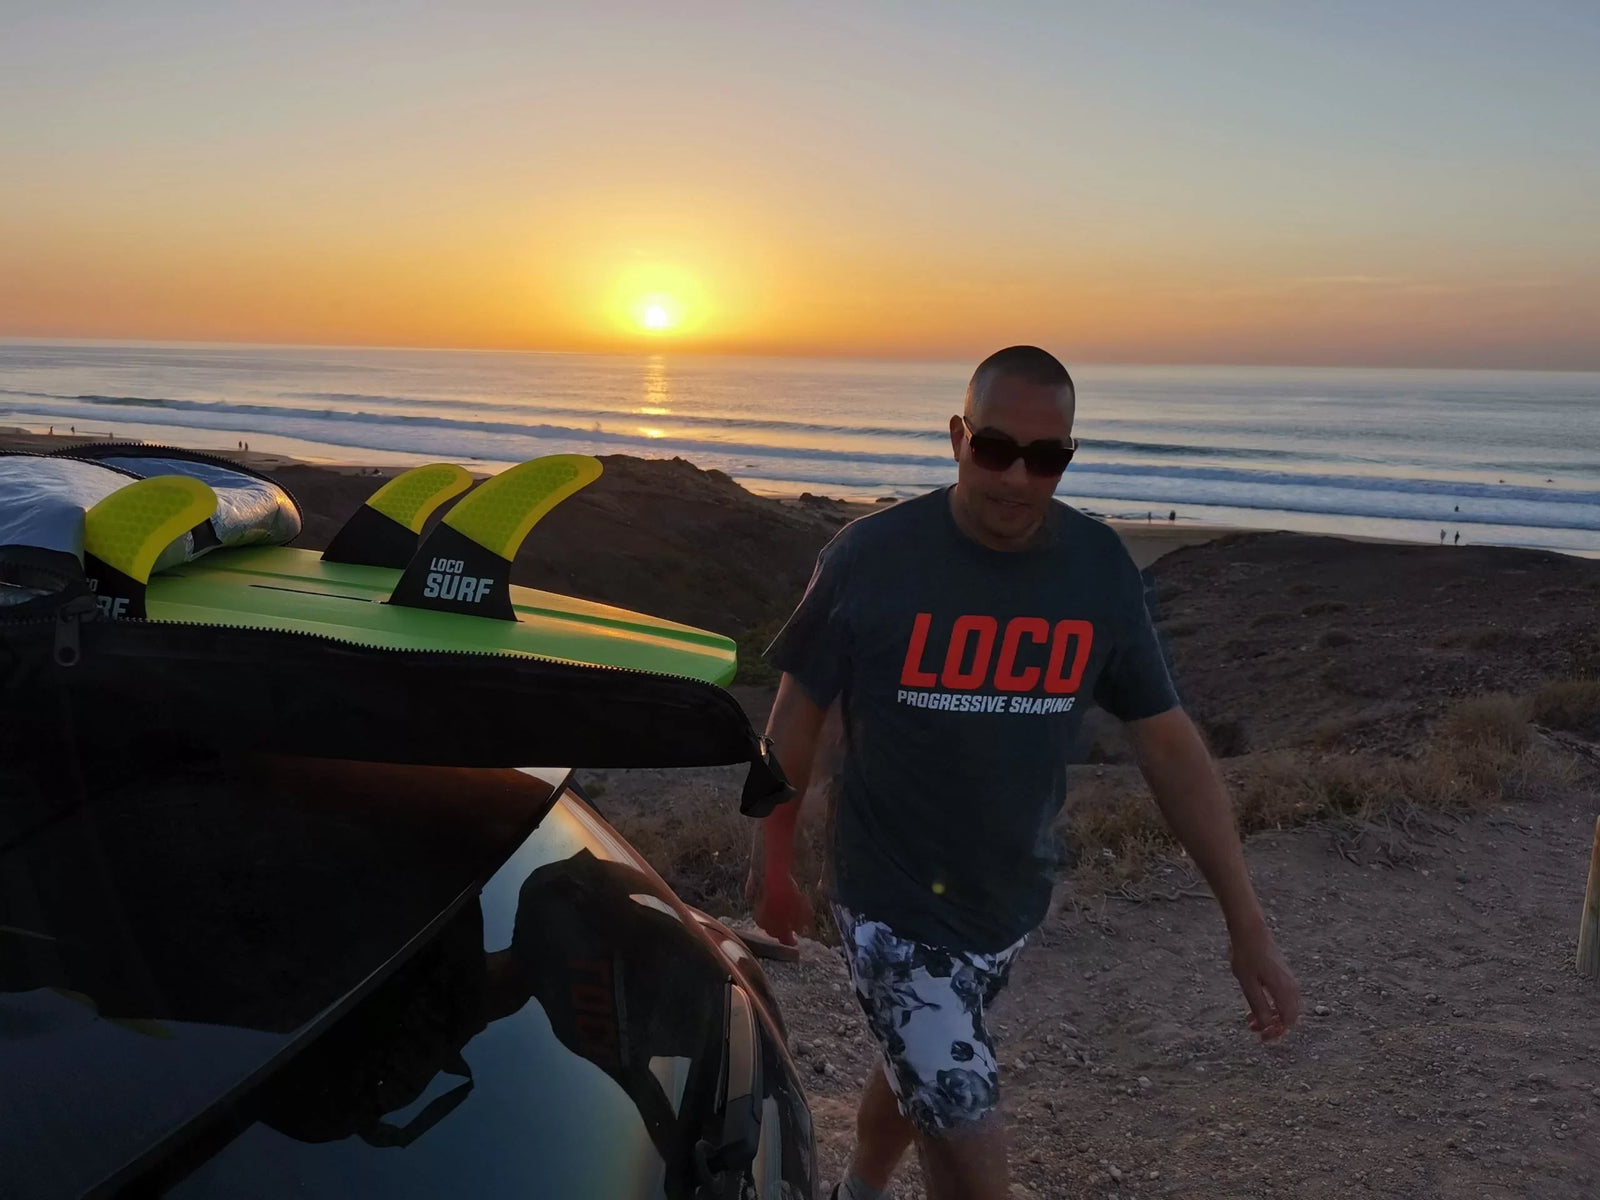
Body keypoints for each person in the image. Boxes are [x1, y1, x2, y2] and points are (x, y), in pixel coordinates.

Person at [747, 346, 1299, 1200]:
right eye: (995, 449)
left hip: (1007, 899)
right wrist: (770, 860)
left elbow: (1168, 744)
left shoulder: (1097, 569)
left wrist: (1247, 921)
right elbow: (795, 722)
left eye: (1046, 459)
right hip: (889, 899)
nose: (1016, 477)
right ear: (958, 435)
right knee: (970, 1144)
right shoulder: (871, 556)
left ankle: (855, 1188)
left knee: (921, 1064)